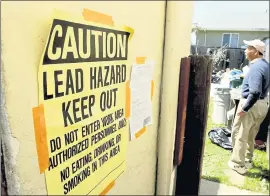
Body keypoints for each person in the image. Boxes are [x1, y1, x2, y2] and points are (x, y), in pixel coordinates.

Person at [228, 39, 269, 175]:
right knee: (251, 135)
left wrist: (245, 108)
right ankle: (247, 160)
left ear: (256, 52)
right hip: (262, 104)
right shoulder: (265, 65)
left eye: (248, 48)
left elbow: (255, 91)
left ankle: (238, 164)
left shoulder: (256, 68)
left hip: (251, 104)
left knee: (240, 134)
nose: (245, 50)